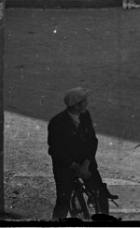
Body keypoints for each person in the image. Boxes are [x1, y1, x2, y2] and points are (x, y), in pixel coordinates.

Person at [48, 88, 110, 219]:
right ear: (76, 105)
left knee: (101, 194)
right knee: (63, 203)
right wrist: (76, 167)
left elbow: (92, 141)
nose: (87, 103)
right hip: (66, 167)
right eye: (84, 101)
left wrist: (86, 165)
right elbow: (55, 151)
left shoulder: (85, 115)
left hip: (85, 163)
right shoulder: (56, 122)